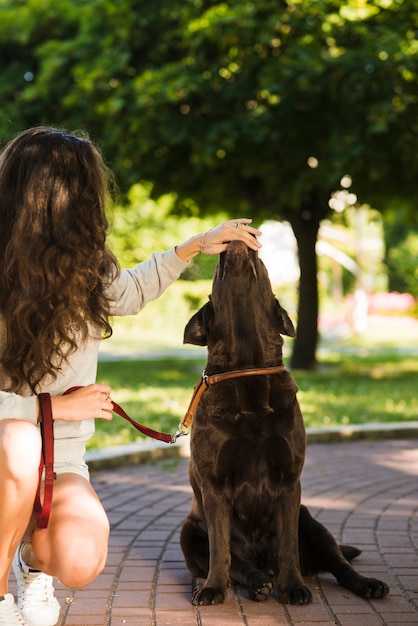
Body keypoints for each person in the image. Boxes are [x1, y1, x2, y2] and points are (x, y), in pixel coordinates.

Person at [0, 126, 262, 625]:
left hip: (58, 462)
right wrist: (50, 408)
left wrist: (193, 247)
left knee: (79, 559)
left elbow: (130, 292)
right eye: (85, 190)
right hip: (2, 453)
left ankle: (30, 564)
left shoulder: (83, 269)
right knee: (16, 441)